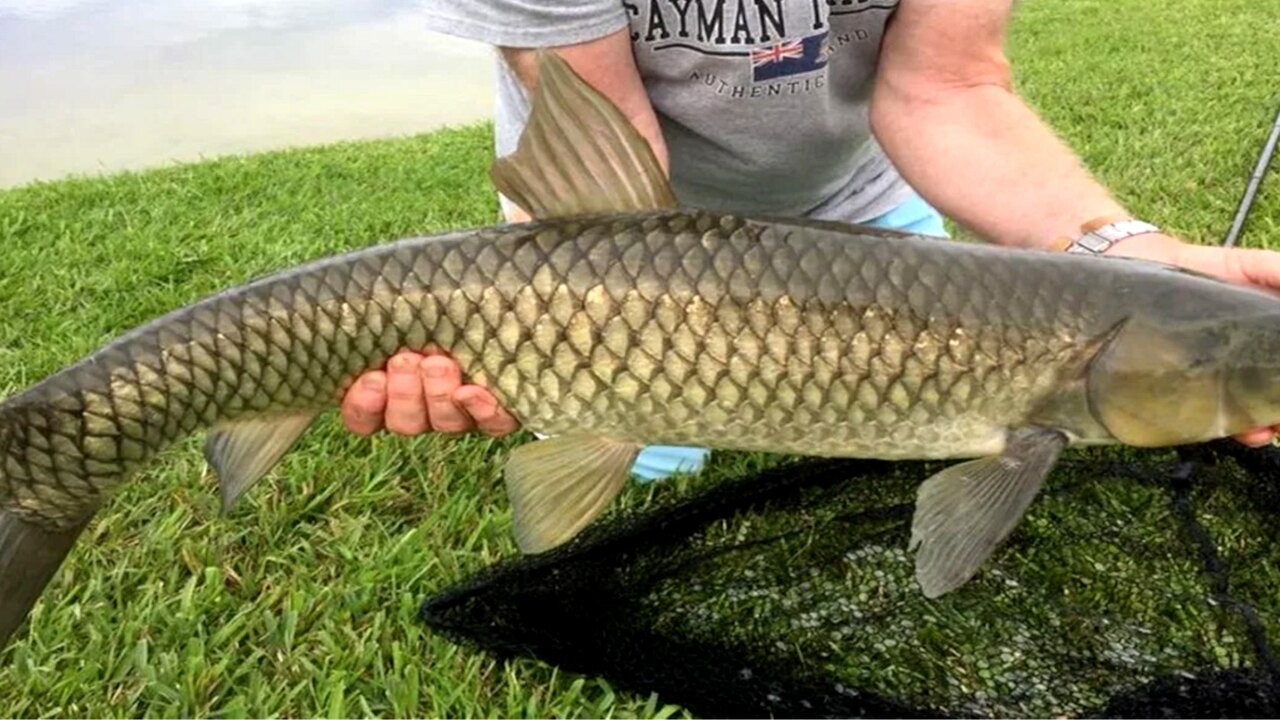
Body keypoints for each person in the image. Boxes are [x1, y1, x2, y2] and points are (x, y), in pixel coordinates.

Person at [339, 0, 1280, 480]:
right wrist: (552, 335)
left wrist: (1124, 251)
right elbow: (606, 147)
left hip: (862, 223)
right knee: (644, 454)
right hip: (616, 252)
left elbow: (946, 90)